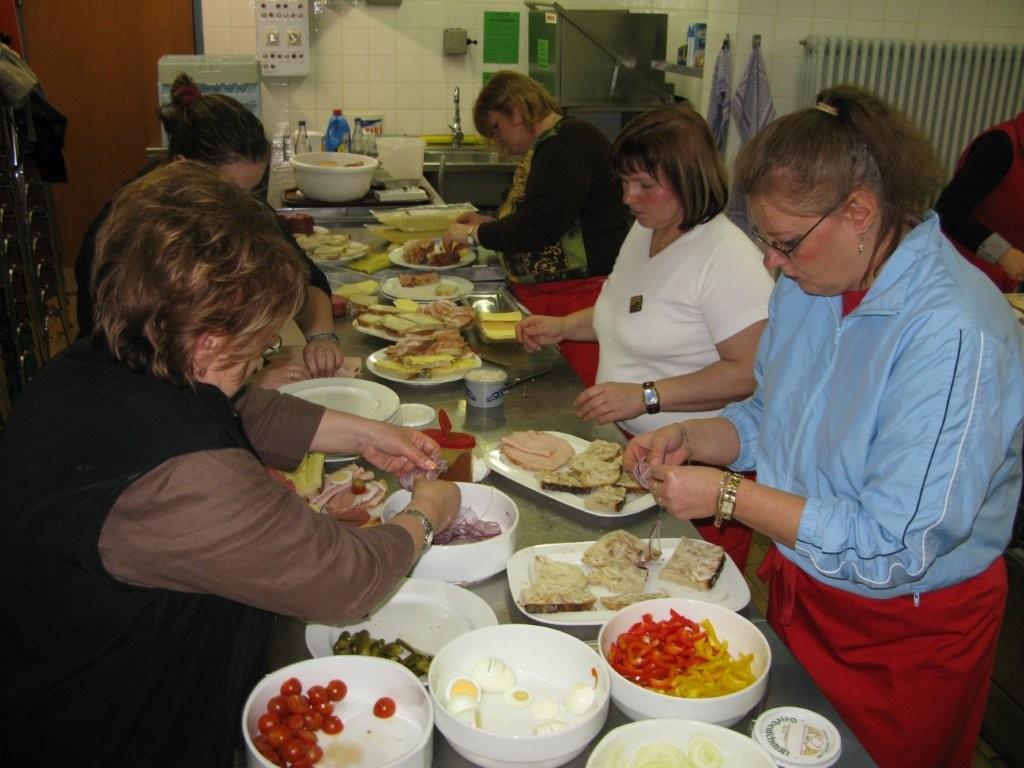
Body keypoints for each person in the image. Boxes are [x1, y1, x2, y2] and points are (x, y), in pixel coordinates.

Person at [0, 162, 460, 767]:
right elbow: (345, 581)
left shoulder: (105, 357)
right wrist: (427, 513)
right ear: (209, 341)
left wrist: (364, 431)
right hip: (119, 733)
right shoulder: (183, 476)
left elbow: (240, 410)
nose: (262, 356)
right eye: (260, 343)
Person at [624, 85, 1024, 768]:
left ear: (859, 212)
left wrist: (728, 495)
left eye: (784, 243)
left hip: (904, 633)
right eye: (765, 240)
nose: (770, 263)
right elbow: (772, 417)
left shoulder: (953, 334)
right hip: (805, 589)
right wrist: (697, 439)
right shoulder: (813, 285)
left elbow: (895, 545)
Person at [517, 103, 773, 571]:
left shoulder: (726, 257)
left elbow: (748, 374)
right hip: (633, 451)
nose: (628, 197)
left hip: (698, 469)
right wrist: (564, 326)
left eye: (644, 185)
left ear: (688, 180)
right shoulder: (646, 229)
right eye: (624, 182)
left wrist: (646, 395)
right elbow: (626, 309)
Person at [74, 73, 345, 378]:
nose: (242, 206)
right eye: (229, 192)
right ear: (181, 166)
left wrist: (322, 337)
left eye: (253, 191)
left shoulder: (240, 205)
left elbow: (305, 277)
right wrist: (246, 389)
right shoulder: (124, 237)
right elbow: (128, 363)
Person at [442, 71, 630, 386]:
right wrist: (492, 224)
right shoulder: (548, 145)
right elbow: (543, 213)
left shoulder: (568, 143)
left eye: (495, 128)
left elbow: (540, 225)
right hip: (551, 298)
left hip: (578, 300)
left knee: (572, 392)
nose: (497, 142)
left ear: (515, 111)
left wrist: (476, 235)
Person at [935, 110, 1024, 292]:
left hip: (1003, 285)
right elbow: (949, 210)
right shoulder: (999, 144)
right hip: (961, 276)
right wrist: (1003, 253)